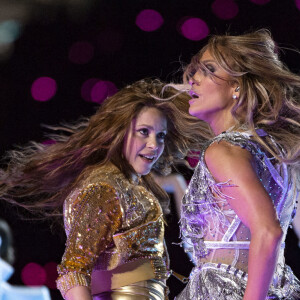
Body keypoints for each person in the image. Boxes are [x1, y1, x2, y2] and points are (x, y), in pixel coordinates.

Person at [0, 79, 208, 300]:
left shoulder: (127, 184)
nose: (154, 145)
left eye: (161, 136)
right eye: (143, 132)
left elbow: (102, 275)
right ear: (119, 132)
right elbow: (74, 272)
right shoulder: (103, 189)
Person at [176, 29, 300, 300]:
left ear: (237, 87)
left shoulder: (224, 150)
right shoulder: (276, 151)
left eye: (208, 70)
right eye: (195, 71)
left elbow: (268, 231)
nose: (193, 80)